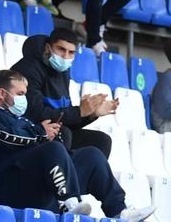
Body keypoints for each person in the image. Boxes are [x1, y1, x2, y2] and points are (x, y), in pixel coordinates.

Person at [0, 69, 144, 220]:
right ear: (2, 93)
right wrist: (42, 134)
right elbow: (5, 137)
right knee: (53, 149)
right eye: (20, 94)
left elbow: (43, 143)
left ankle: (119, 212)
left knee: (91, 156)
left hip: (34, 183)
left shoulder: (22, 120)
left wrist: (51, 135)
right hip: (3, 188)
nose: (23, 99)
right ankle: (68, 203)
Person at [11, 28, 118, 162]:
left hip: (55, 132)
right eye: (61, 49)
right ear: (47, 48)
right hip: (28, 130)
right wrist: (79, 112)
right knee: (64, 134)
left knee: (101, 140)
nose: (65, 56)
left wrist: (91, 114)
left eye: (71, 52)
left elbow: (65, 118)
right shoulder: (28, 69)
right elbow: (35, 113)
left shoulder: (62, 71)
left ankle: (84, 180)